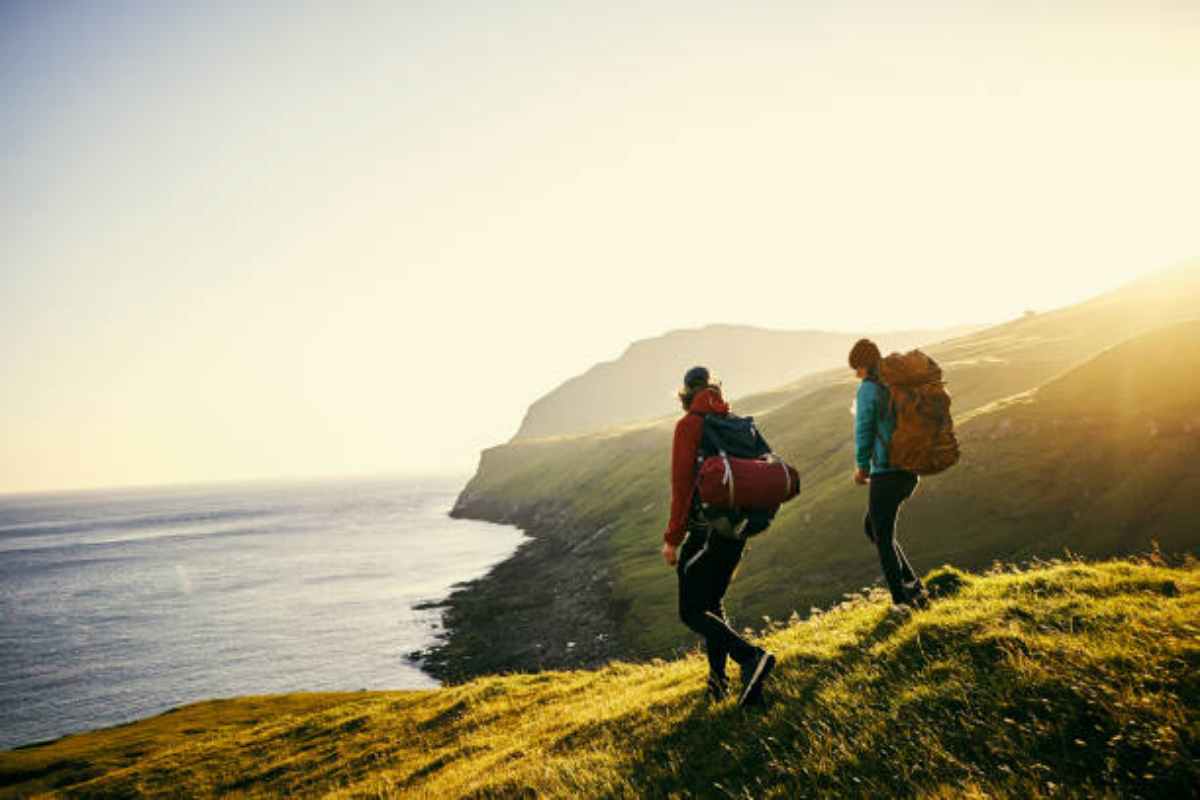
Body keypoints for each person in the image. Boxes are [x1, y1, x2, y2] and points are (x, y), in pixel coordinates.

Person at [662, 366, 775, 706]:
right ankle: (718, 683)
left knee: (691, 611)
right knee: (711, 603)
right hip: (737, 529)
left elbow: (682, 487)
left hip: (705, 532)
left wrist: (672, 539)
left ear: (685, 394)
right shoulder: (735, 422)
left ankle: (750, 656)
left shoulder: (689, 426)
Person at [849, 339, 930, 610]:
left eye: (856, 368)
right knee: (873, 527)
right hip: (909, 469)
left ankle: (901, 601)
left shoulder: (869, 390)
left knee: (881, 535)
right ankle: (912, 585)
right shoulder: (895, 384)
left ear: (863, 365)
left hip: (887, 472)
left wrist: (862, 467)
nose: (855, 374)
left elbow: (864, 431)